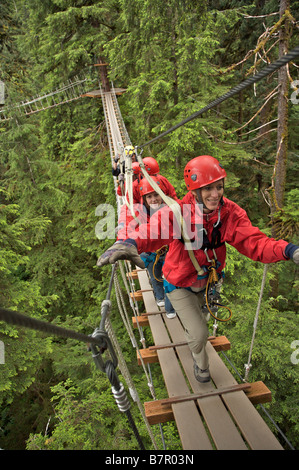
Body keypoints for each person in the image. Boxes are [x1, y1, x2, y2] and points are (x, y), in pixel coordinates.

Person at [98, 155, 299, 383]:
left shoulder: (229, 214)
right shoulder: (177, 212)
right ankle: (201, 365)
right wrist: (128, 243)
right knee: (199, 334)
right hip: (179, 284)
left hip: (209, 284)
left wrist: (289, 250)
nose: (216, 194)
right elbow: (150, 230)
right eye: (208, 189)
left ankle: (194, 338)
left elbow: (255, 242)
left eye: (219, 187)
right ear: (194, 191)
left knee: (200, 323)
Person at [118, 176, 176, 319]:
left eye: (156, 194)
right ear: (144, 199)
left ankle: (170, 308)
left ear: (162, 195)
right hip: (151, 253)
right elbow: (128, 225)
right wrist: (124, 242)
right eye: (149, 197)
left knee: (170, 279)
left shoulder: (171, 208)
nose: (154, 199)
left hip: (169, 252)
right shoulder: (139, 213)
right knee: (155, 276)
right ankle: (159, 296)